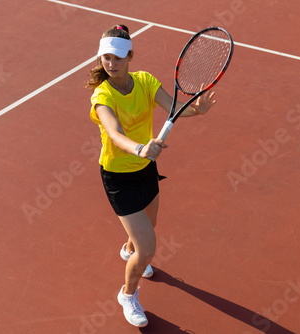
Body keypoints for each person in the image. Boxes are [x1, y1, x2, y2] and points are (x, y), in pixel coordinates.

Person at [87, 24, 216, 327]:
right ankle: (128, 294)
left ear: (129, 56)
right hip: (118, 176)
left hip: (145, 168)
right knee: (148, 248)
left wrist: (196, 111)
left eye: (117, 57)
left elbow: (171, 106)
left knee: (149, 226)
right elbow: (115, 134)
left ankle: (129, 249)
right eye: (106, 57)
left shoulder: (144, 81)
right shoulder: (102, 95)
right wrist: (140, 148)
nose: (111, 63)